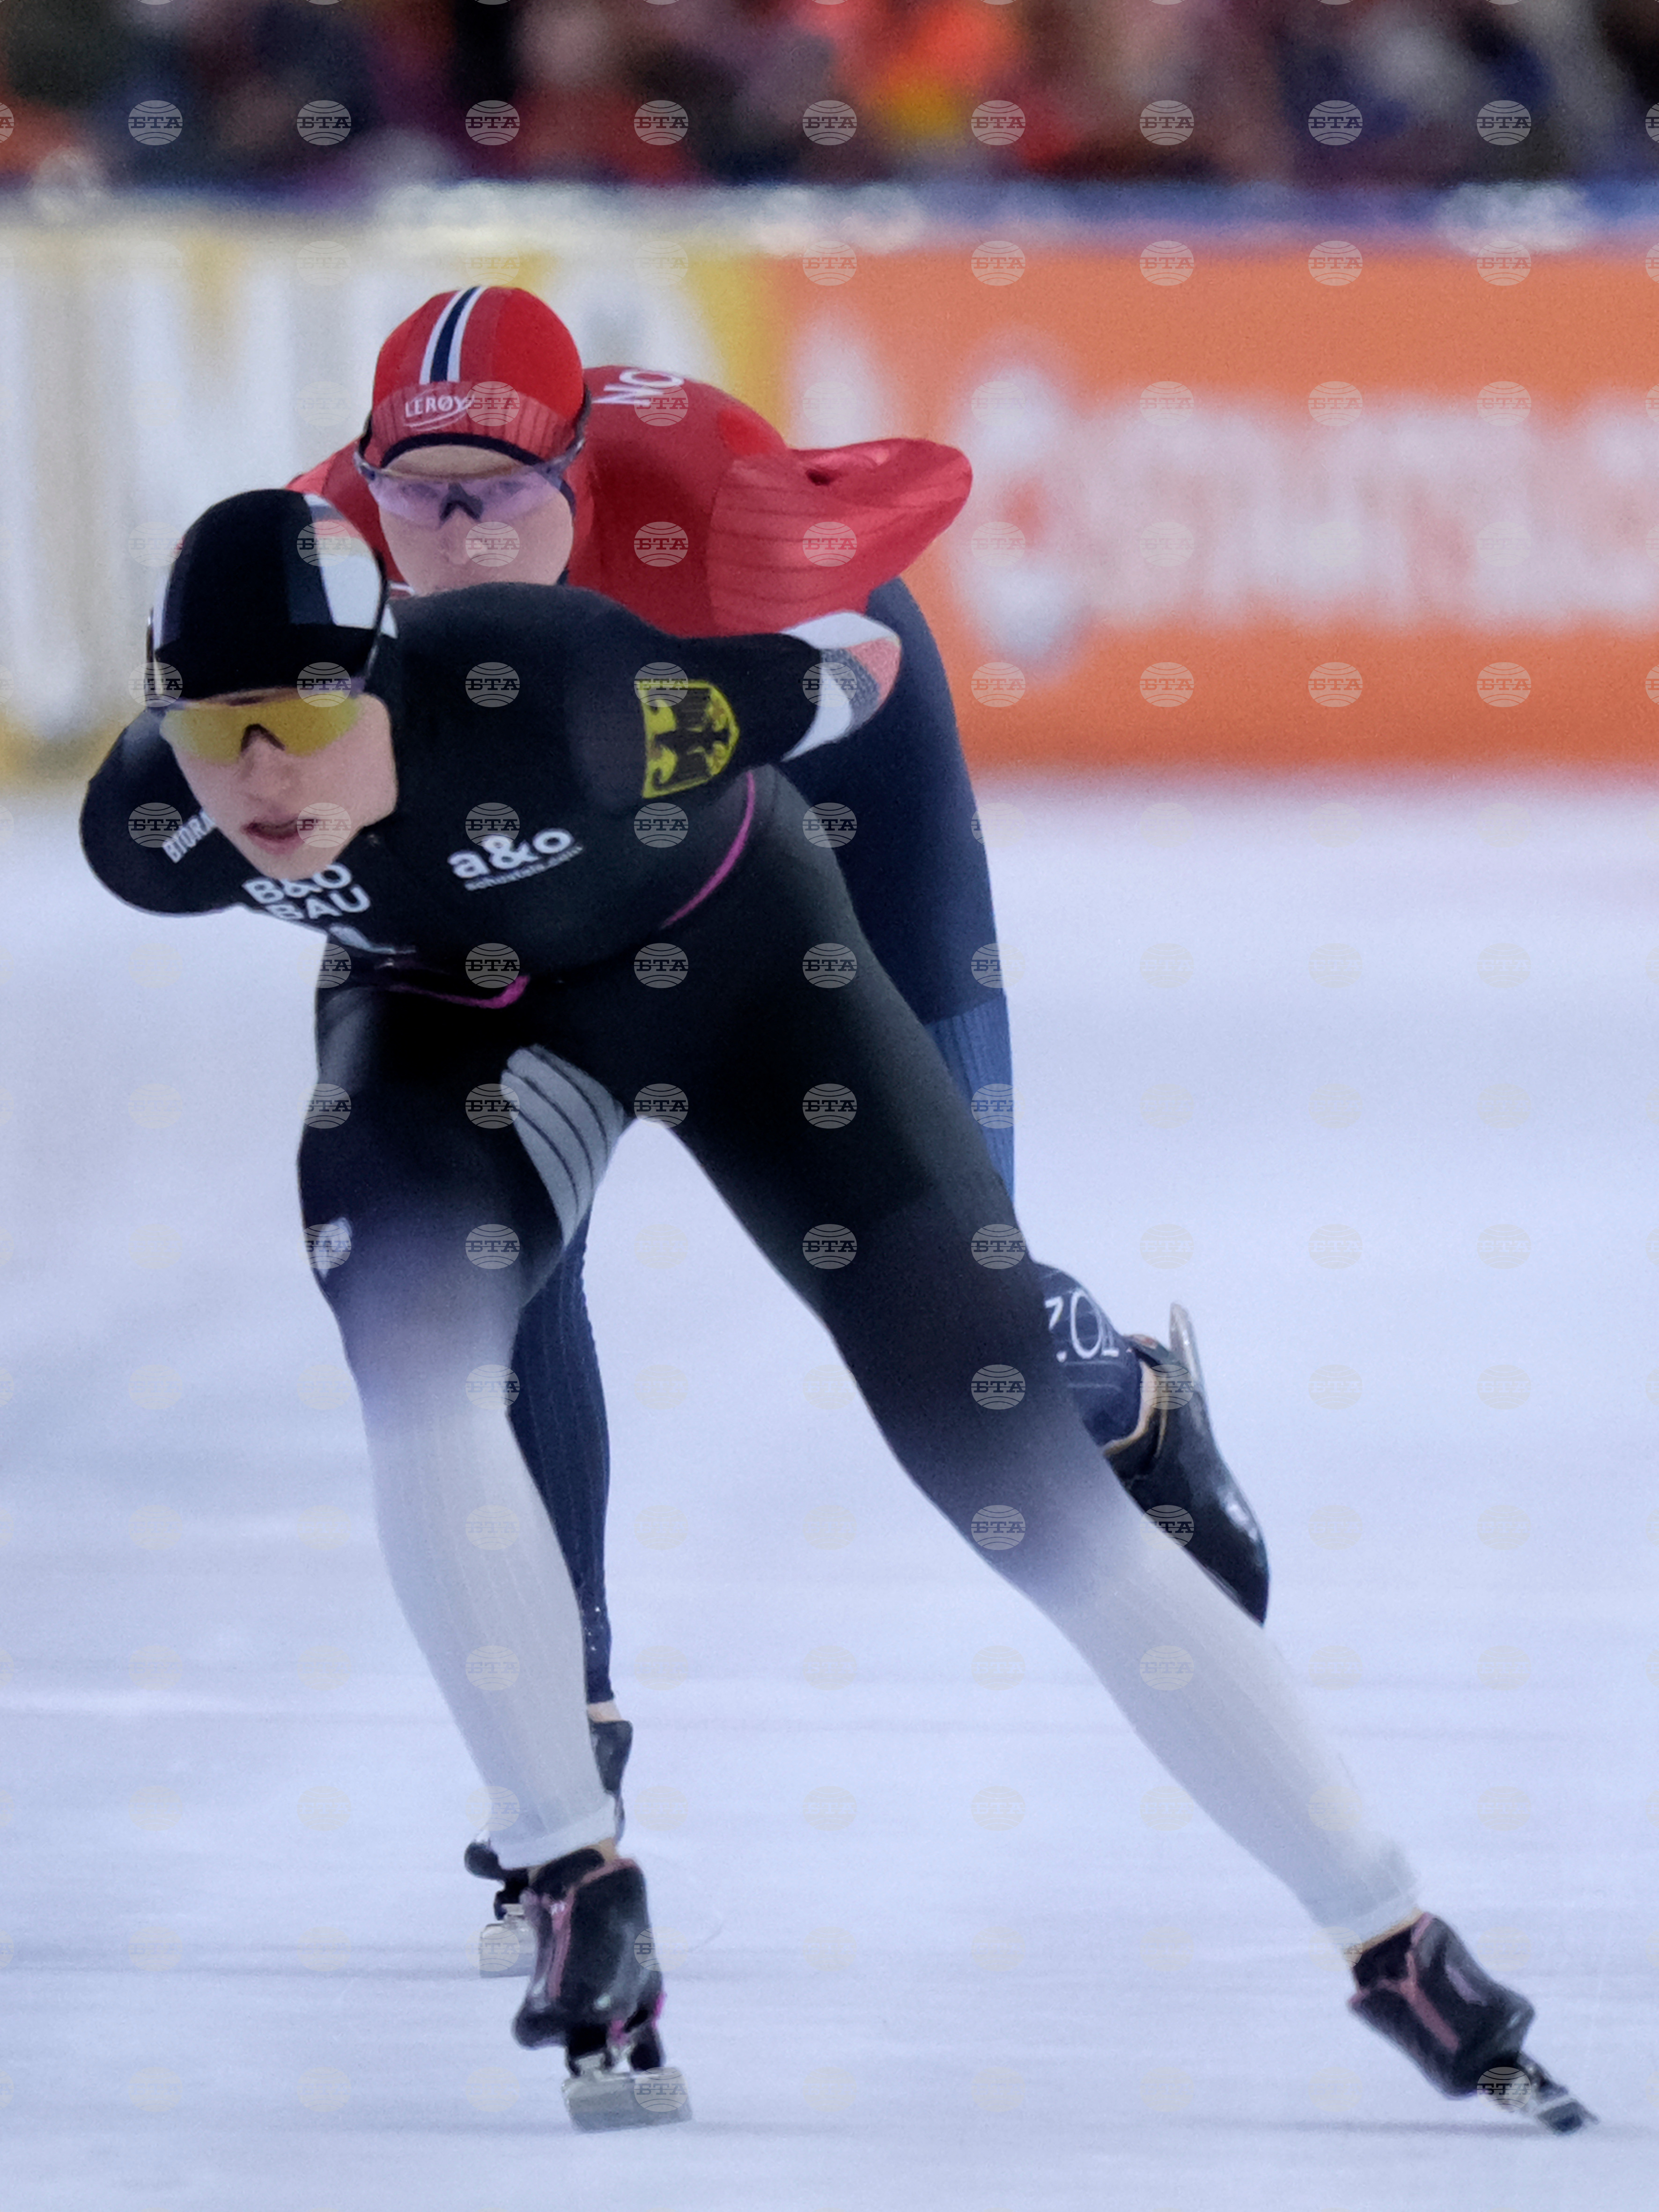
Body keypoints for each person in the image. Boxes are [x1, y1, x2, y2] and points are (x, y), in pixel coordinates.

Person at [79, 488, 1592, 2136]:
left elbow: (858, 664)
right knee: (420, 1367)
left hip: (749, 988)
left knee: (1020, 1480)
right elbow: (229, 805)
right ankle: (574, 1874)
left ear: (390, 677)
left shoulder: (571, 695)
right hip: (456, 1031)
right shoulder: (149, 832)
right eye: (217, 731)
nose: (263, 782)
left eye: (302, 719)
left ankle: (1391, 1931)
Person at [290, 288, 1271, 1901]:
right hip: (537, 835)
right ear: (366, 479)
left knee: (963, 1296)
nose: (456, 541)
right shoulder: (330, 552)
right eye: (419, 499)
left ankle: (1128, 1392)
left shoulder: (710, 504)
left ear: (584, 473)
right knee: (499, 1255)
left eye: (502, 497)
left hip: (809, 774)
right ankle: (571, 1718)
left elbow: (867, 663)